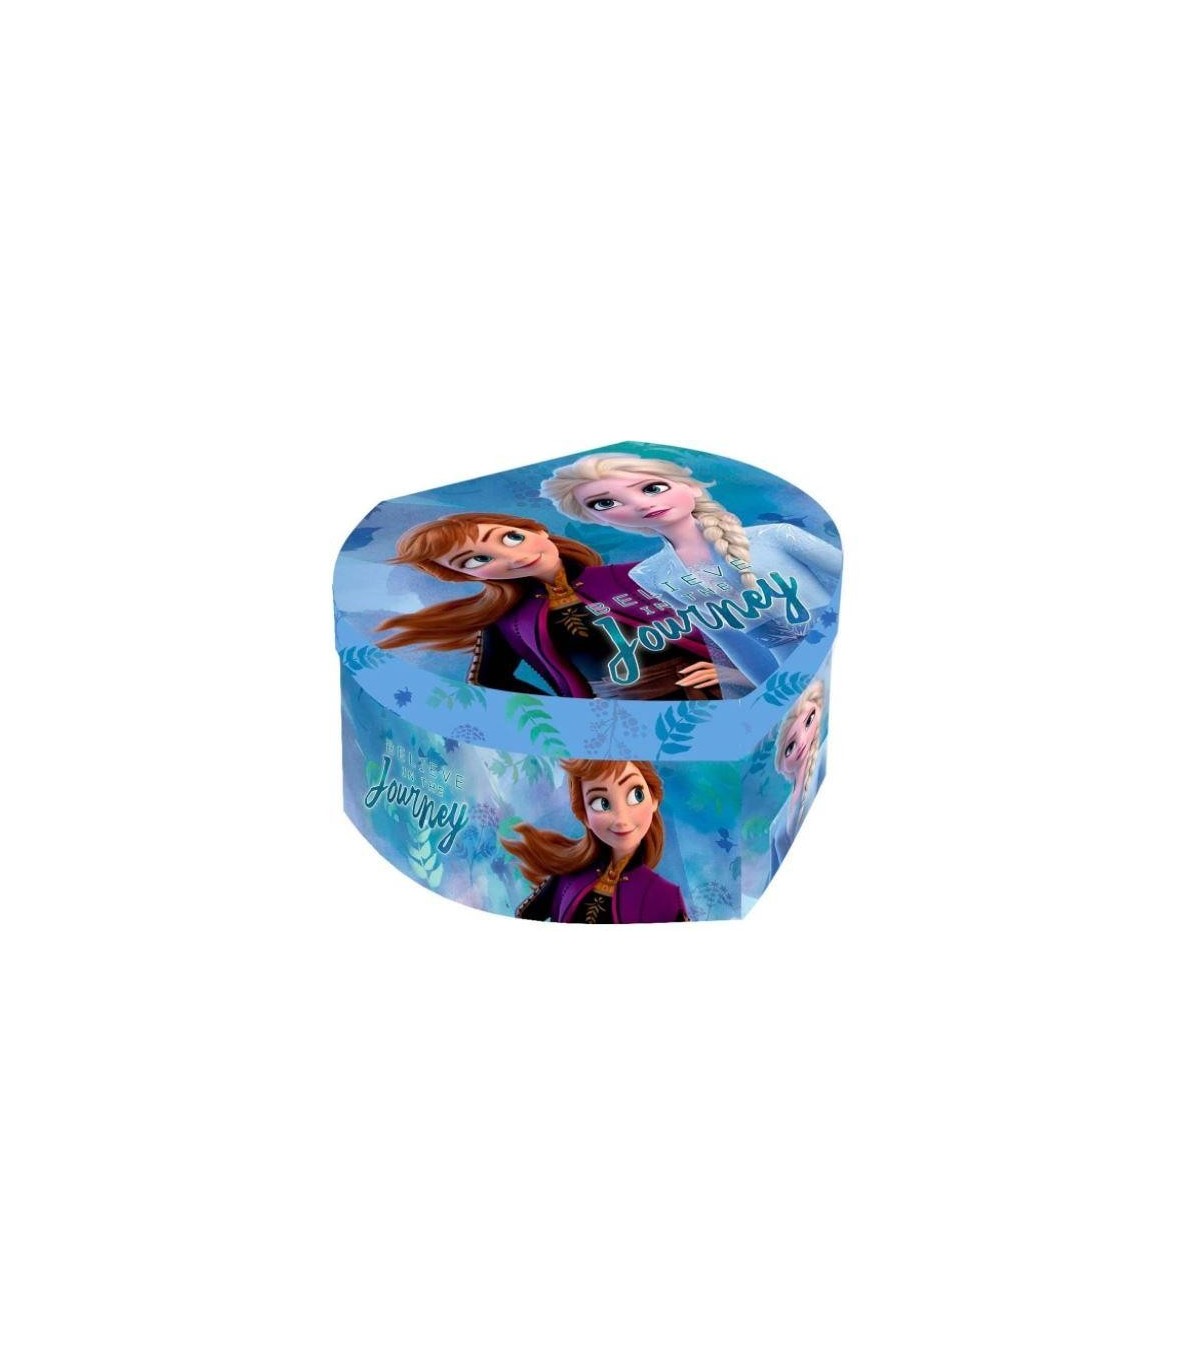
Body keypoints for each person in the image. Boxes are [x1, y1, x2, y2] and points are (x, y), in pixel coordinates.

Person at [541, 454, 842, 685]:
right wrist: (769, 692)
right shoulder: (650, 574)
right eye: (604, 503)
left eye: (653, 488)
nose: (641, 504)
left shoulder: (775, 536)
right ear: (599, 520)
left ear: (692, 487)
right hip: (793, 678)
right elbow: (730, 640)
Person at [374, 512, 722, 700]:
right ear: (464, 576)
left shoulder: (627, 575)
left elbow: (724, 617)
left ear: (537, 530)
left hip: (712, 694)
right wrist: (562, 717)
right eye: (477, 560)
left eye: (511, 538)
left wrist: (731, 672)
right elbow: (491, 679)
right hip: (623, 721)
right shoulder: (510, 621)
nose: (513, 557)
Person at [502, 759, 689, 923]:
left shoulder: (665, 895)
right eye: (601, 803)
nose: (621, 819)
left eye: (636, 795)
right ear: (584, 816)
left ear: (654, 798)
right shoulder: (566, 876)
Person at [768, 679, 825, 875]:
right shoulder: (778, 824)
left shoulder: (822, 760)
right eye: (790, 747)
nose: (801, 743)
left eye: (809, 721)